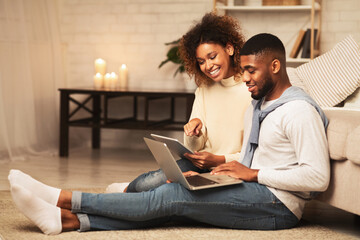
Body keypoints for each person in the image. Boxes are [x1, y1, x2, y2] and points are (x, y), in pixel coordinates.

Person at [8, 33, 330, 235]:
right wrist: (226, 172)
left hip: (279, 206)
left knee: (172, 198)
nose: (245, 78)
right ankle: (67, 222)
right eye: (243, 70)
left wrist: (253, 173)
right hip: (252, 188)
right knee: (172, 196)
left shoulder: (297, 111)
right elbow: (249, 156)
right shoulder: (259, 106)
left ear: (274, 67)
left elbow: (317, 178)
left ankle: (62, 199)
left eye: (251, 70)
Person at [106, 12, 252, 193]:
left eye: (212, 56)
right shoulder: (204, 90)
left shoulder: (251, 90)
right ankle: (126, 191)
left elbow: (252, 154)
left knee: (170, 191)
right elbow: (193, 148)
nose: (208, 66)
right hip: (202, 164)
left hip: (231, 167)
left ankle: (130, 195)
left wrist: (218, 160)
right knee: (152, 181)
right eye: (201, 61)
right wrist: (193, 132)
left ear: (229, 49)